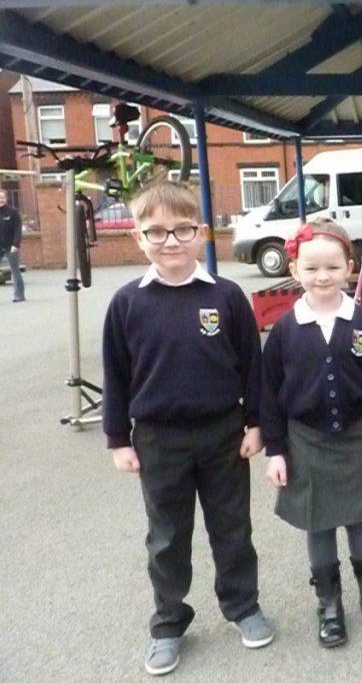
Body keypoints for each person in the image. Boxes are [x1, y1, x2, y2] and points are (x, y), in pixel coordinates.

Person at [102, 182, 272, 676]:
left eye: (181, 230)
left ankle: (242, 606)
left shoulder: (226, 296)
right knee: (167, 536)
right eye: (156, 231)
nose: (170, 241)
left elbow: (252, 366)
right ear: (138, 237)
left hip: (224, 434)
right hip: (158, 439)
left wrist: (256, 422)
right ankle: (169, 623)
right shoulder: (127, 303)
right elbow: (116, 374)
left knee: (232, 528)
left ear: (201, 233)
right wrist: (117, 438)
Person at [262, 218, 362, 649]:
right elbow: (269, 395)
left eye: (333, 267)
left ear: (349, 268)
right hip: (306, 441)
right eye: (311, 268)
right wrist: (275, 450)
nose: (322, 276)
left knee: (361, 520)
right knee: (317, 524)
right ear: (294, 270)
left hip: (356, 437)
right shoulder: (284, 331)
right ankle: (329, 605)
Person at [0, 188, 25, 302]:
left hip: (11, 246)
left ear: (6, 198)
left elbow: (17, 229)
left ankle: (19, 295)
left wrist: (16, 244)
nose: (0, 200)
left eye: (2, 197)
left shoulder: (13, 212)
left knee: (15, 270)